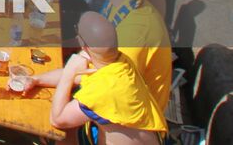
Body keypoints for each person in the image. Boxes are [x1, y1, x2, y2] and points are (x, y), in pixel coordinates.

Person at [22, 12, 166, 144]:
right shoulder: (119, 60)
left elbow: (58, 119)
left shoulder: (103, 91)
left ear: (82, 44)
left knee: (55, 135)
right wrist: (36, 79)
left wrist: (69, 74)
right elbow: (78, 72)